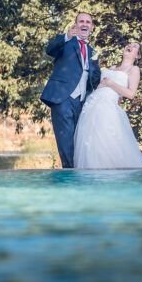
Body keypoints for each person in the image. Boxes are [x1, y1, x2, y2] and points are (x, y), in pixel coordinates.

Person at [73, 42, 142, 168]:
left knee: (105, 140)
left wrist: (110, 83)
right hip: (92, 105)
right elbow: (101, 86)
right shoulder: (112, 67)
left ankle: (106, 172)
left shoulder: (134, 70)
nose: (130, 46)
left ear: (138, 56)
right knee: (89, 141)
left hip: (107, 108)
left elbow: (131, 94)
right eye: (129, 44)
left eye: (135, 46)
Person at [40, 12, 102, 168]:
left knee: (79, 139)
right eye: (81, 21)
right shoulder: (66, 42)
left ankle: (78, 174)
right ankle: (69, 174)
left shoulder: (92, 52)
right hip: (63, 98)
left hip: (82, 101)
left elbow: (94, 79)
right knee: (66, 139)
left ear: (92, 27)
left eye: (88, 22)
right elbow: (50, 49)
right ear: (75, 25)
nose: (84, 24)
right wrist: (66, 35)